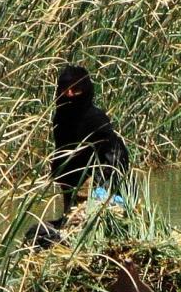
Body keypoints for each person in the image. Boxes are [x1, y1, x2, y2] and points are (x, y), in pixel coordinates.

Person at [51, 64, 130, 213]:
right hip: (72, 183)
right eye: (65, 89)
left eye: (75, 90)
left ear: (85, 91)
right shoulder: (60, 118)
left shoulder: (95, 119)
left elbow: (116, 155)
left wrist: (96, 181)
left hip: (100, 185)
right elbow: (62, 149)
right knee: (72, 218)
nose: (69, 94)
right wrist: (58, 171)